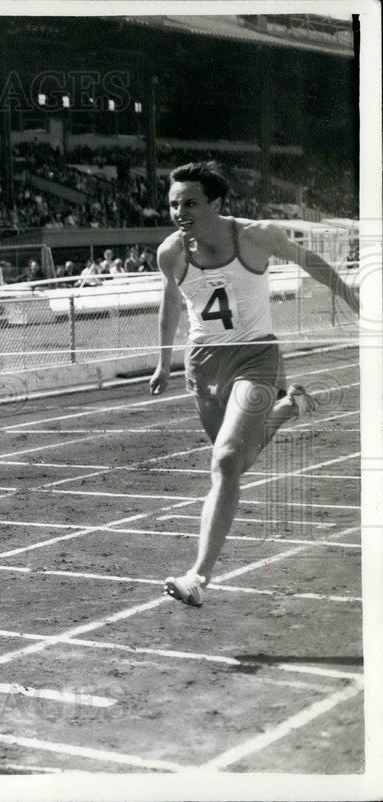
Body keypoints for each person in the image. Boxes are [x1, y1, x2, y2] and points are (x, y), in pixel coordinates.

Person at [149, 161, 359, 608]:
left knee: (224, 461)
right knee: (237, 464)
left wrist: (351, 296)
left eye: (190, 203)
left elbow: (311, 261)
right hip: (202, 366)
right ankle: (290, 408)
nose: (179, 211)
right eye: (172, 204)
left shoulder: (256, 235)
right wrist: (162, 362)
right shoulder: (171, 251)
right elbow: (170, 303)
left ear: (217, 203)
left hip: (255, 358)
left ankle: (198, 577)